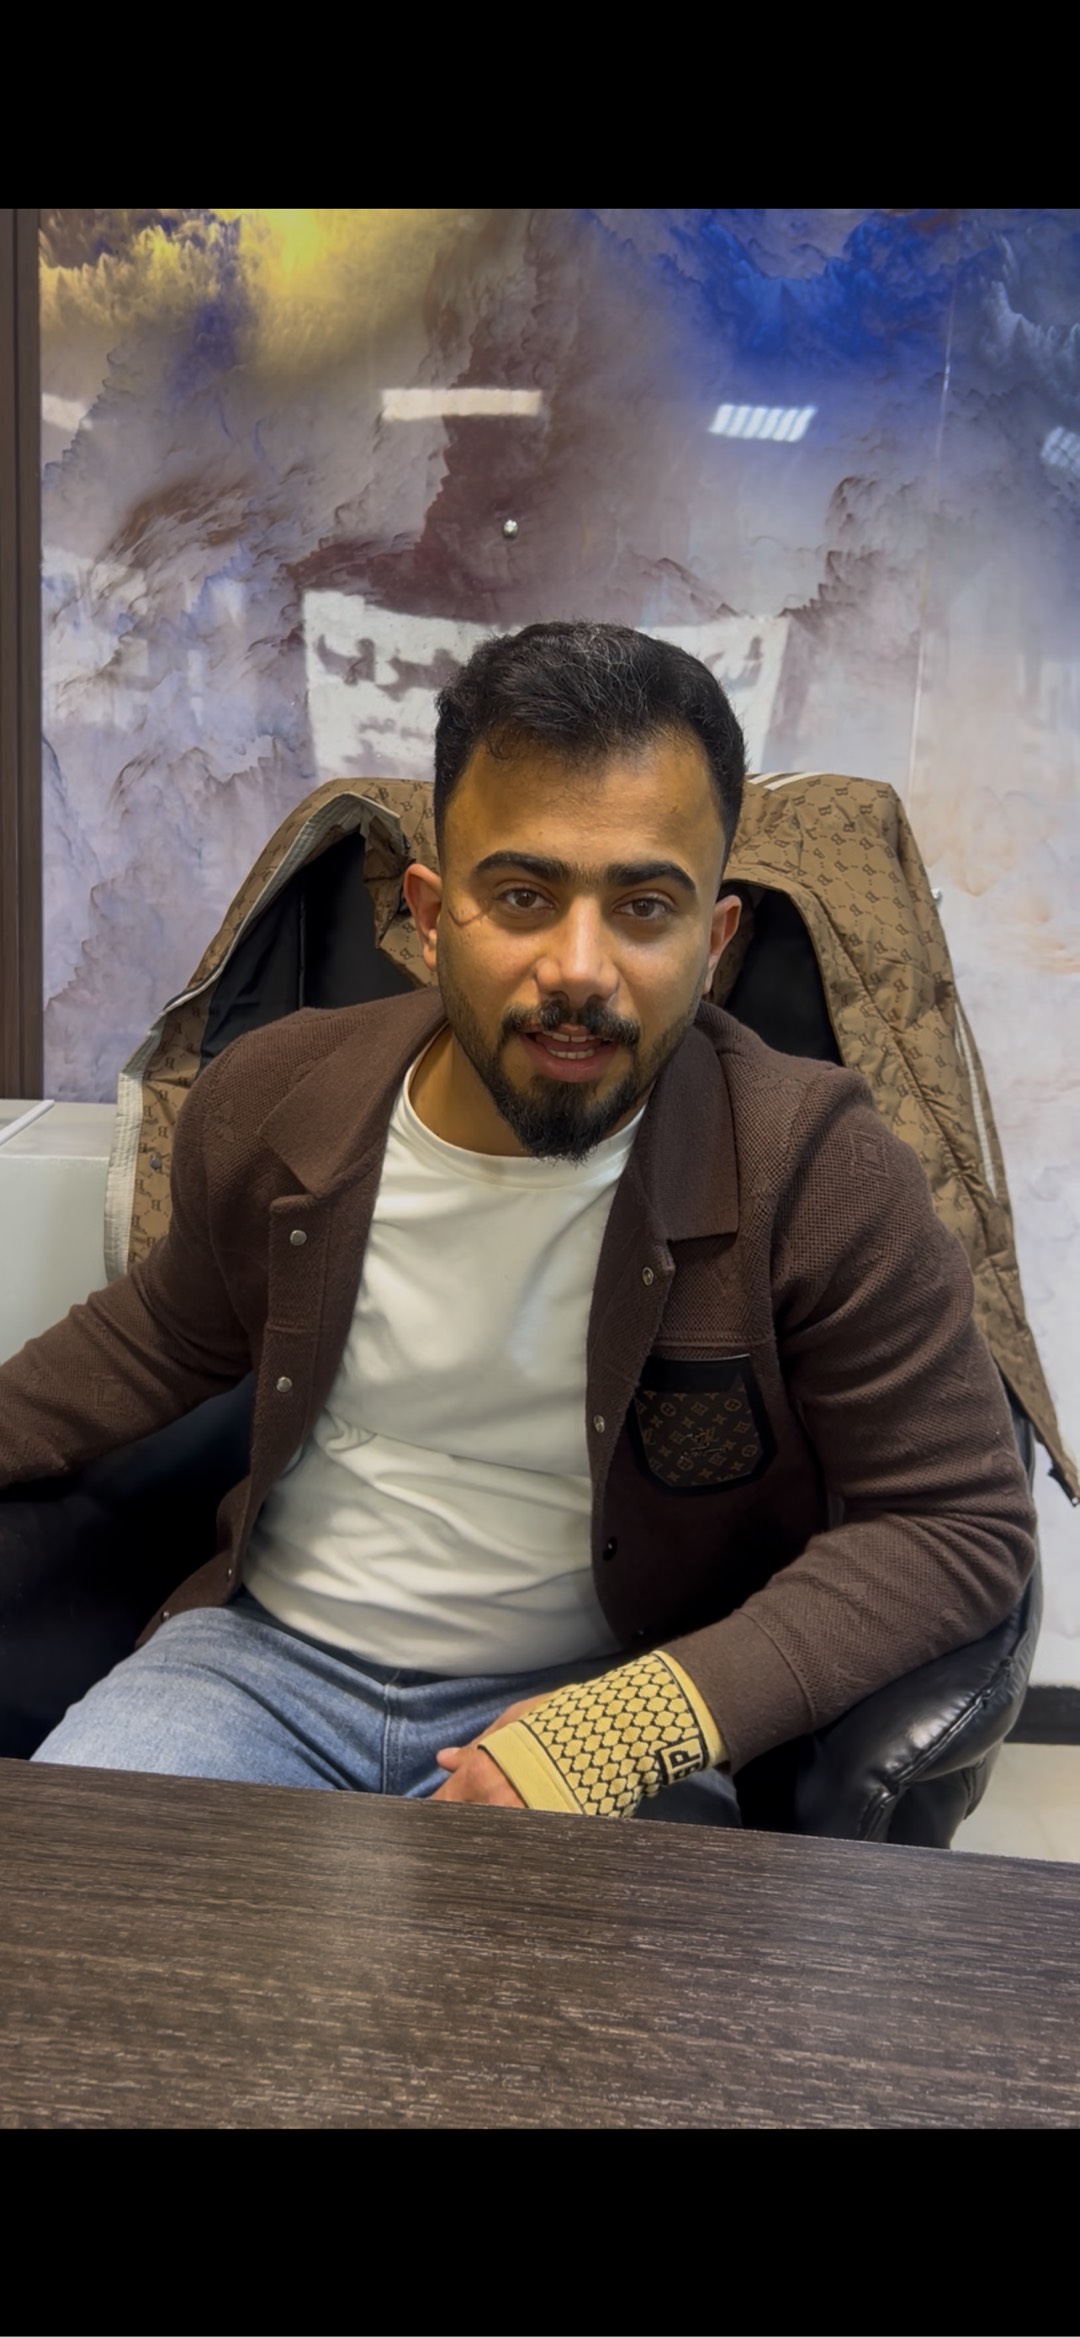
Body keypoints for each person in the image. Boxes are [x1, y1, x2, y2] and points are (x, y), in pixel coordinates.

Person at [0, 622, 1035, 1819]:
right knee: (61, 1917)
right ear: (432, 915)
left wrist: (628, 1728)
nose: (579, 968)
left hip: (606, 1686)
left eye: (643, 906)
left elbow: (956, 1521)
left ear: (714, 942)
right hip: (258, 1671)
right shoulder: (275, 1098)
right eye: (524, 896)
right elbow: (153, 1340)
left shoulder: (816, 1169)